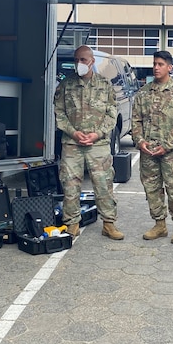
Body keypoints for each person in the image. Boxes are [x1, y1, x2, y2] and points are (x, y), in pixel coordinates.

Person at [54, 45, 124, 240]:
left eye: (83, 60)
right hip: (72, 144)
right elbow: (59, 113)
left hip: (98, 145)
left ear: (92, 61)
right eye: (76, 60)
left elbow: (112, 115)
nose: (79, 64)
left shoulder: (105, 85)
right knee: (70, 185)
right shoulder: (66, 85)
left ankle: (109, 224)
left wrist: (98, 134)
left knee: (103, 185)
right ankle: (72, 223)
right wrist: (73, 132)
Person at [131, 50, 173, 244]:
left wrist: (167, 145)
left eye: (160, 64)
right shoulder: (144, 92)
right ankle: (159, 224)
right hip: (148, 150)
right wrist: (140, 141)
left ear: (170, 67)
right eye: (154, 64)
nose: (156, 67)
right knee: (152, 188)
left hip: (170, 152)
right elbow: (136, 120)